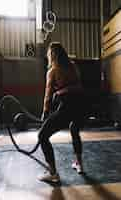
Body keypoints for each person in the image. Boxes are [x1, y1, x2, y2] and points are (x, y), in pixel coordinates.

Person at [38, 42, 85, 183]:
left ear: (51, 55)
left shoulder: (53, 70)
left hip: (68, 106)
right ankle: (79, 164)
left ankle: (52, 173)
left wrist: (45, 113)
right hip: (82, 105)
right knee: (74, 129)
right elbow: (75, 86)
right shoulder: (73, 66)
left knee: (42, 135)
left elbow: (48, 95)